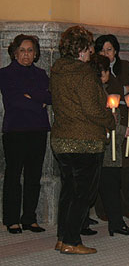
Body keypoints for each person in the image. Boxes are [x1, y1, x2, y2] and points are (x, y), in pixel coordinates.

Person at [50, 25, 116, 254]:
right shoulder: (84, 73)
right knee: (83, 193)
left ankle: (62, 237)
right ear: (81, 49)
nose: (91, 52)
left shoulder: (58, 70)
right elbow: (92, 109)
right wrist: (110, 119)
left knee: (69, 190)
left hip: (62, 139)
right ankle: (71, 240)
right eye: (89, 48)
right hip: (84, 141)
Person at [0, 34, 51, 234]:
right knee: (13, 176)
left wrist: (33, 96)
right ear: (14, 52)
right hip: (15, 130)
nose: (26, 55)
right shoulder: (5, 73)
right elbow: (14, 101)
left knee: (34, 176)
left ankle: (30, 218)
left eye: (30, 50)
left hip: (38, 130)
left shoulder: (41, 73)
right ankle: (11, 219)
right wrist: (39, 102)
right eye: (22, 50)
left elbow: (50, 96)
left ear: (36, 53)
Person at [94, 34, 129, 221]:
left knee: (125, 165)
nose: (106, 54)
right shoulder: (96, 67)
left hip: (126, 118)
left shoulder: (125, 67)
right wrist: (122, 90)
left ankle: (126, 206)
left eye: (109, 50)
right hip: (106, 120)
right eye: (102, 50)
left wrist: (126, 92)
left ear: (115, 50)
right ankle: (103, 208)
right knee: (106, 165)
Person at [88, 55, 129, 236]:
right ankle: (116, 223)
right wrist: (121, 130)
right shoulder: (96, 92)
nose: (108, 74)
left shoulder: (98, 89)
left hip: (102, 146)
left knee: (105, 185)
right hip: (104, 146)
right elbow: (102, 119)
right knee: (109, 186)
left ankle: (112, 222)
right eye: (105, 71)